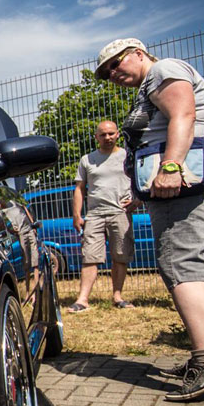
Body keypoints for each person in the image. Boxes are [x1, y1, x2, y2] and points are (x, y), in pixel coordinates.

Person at [95, 37, 204, 401]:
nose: (112, 74)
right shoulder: (153, 81)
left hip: (185, 181)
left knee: (182, 262)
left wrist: (171, 166)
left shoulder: (163, 69)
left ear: (138, 53)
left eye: (115, 64)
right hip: (191, 180)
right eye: (106, 72)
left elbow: (184, 114)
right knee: (199, 264)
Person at [69, 120, 135, 312]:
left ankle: (118, 296)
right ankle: (82, 300)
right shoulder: (87, 159)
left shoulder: (127, 156)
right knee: (89, 256)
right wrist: (77, 215)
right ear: (96, 137)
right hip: (94, 215)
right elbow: (79, 188)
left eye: (111, 134)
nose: (108, 138)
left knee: (120, 256)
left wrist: (137, 200)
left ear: (117, 135)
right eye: (103, 134)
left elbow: (139, 179)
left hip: (120, 213)